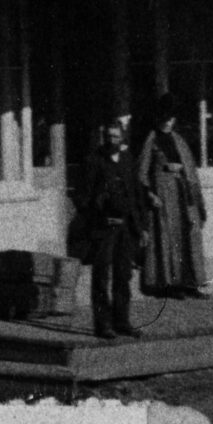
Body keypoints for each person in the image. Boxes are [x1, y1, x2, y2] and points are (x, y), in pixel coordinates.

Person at [76, 120, 148, 340]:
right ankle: (103, 325)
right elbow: (82, 198)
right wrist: (98, 213)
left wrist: (141, 228)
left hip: (125, 229)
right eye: (108, 136)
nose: (111, 140)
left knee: (123, 276)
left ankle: (122, 321)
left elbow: (135, 195)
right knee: (101, 278)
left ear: (122, 138)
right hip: (104, 229)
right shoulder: (93, 160)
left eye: (116, 136)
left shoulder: (127, 160)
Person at [133, 97, 208, 297]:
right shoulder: (152, 139)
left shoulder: (179, 140)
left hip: (183, 197)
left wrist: (182, 172)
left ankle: (190, 284)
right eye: (164, 118)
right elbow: (141, 172)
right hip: (164, 199)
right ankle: (170, 286)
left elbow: (190, 169)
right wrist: (150, 194)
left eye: (171, 118)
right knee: (168, 240)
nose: (168, 122)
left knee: (188, 237)